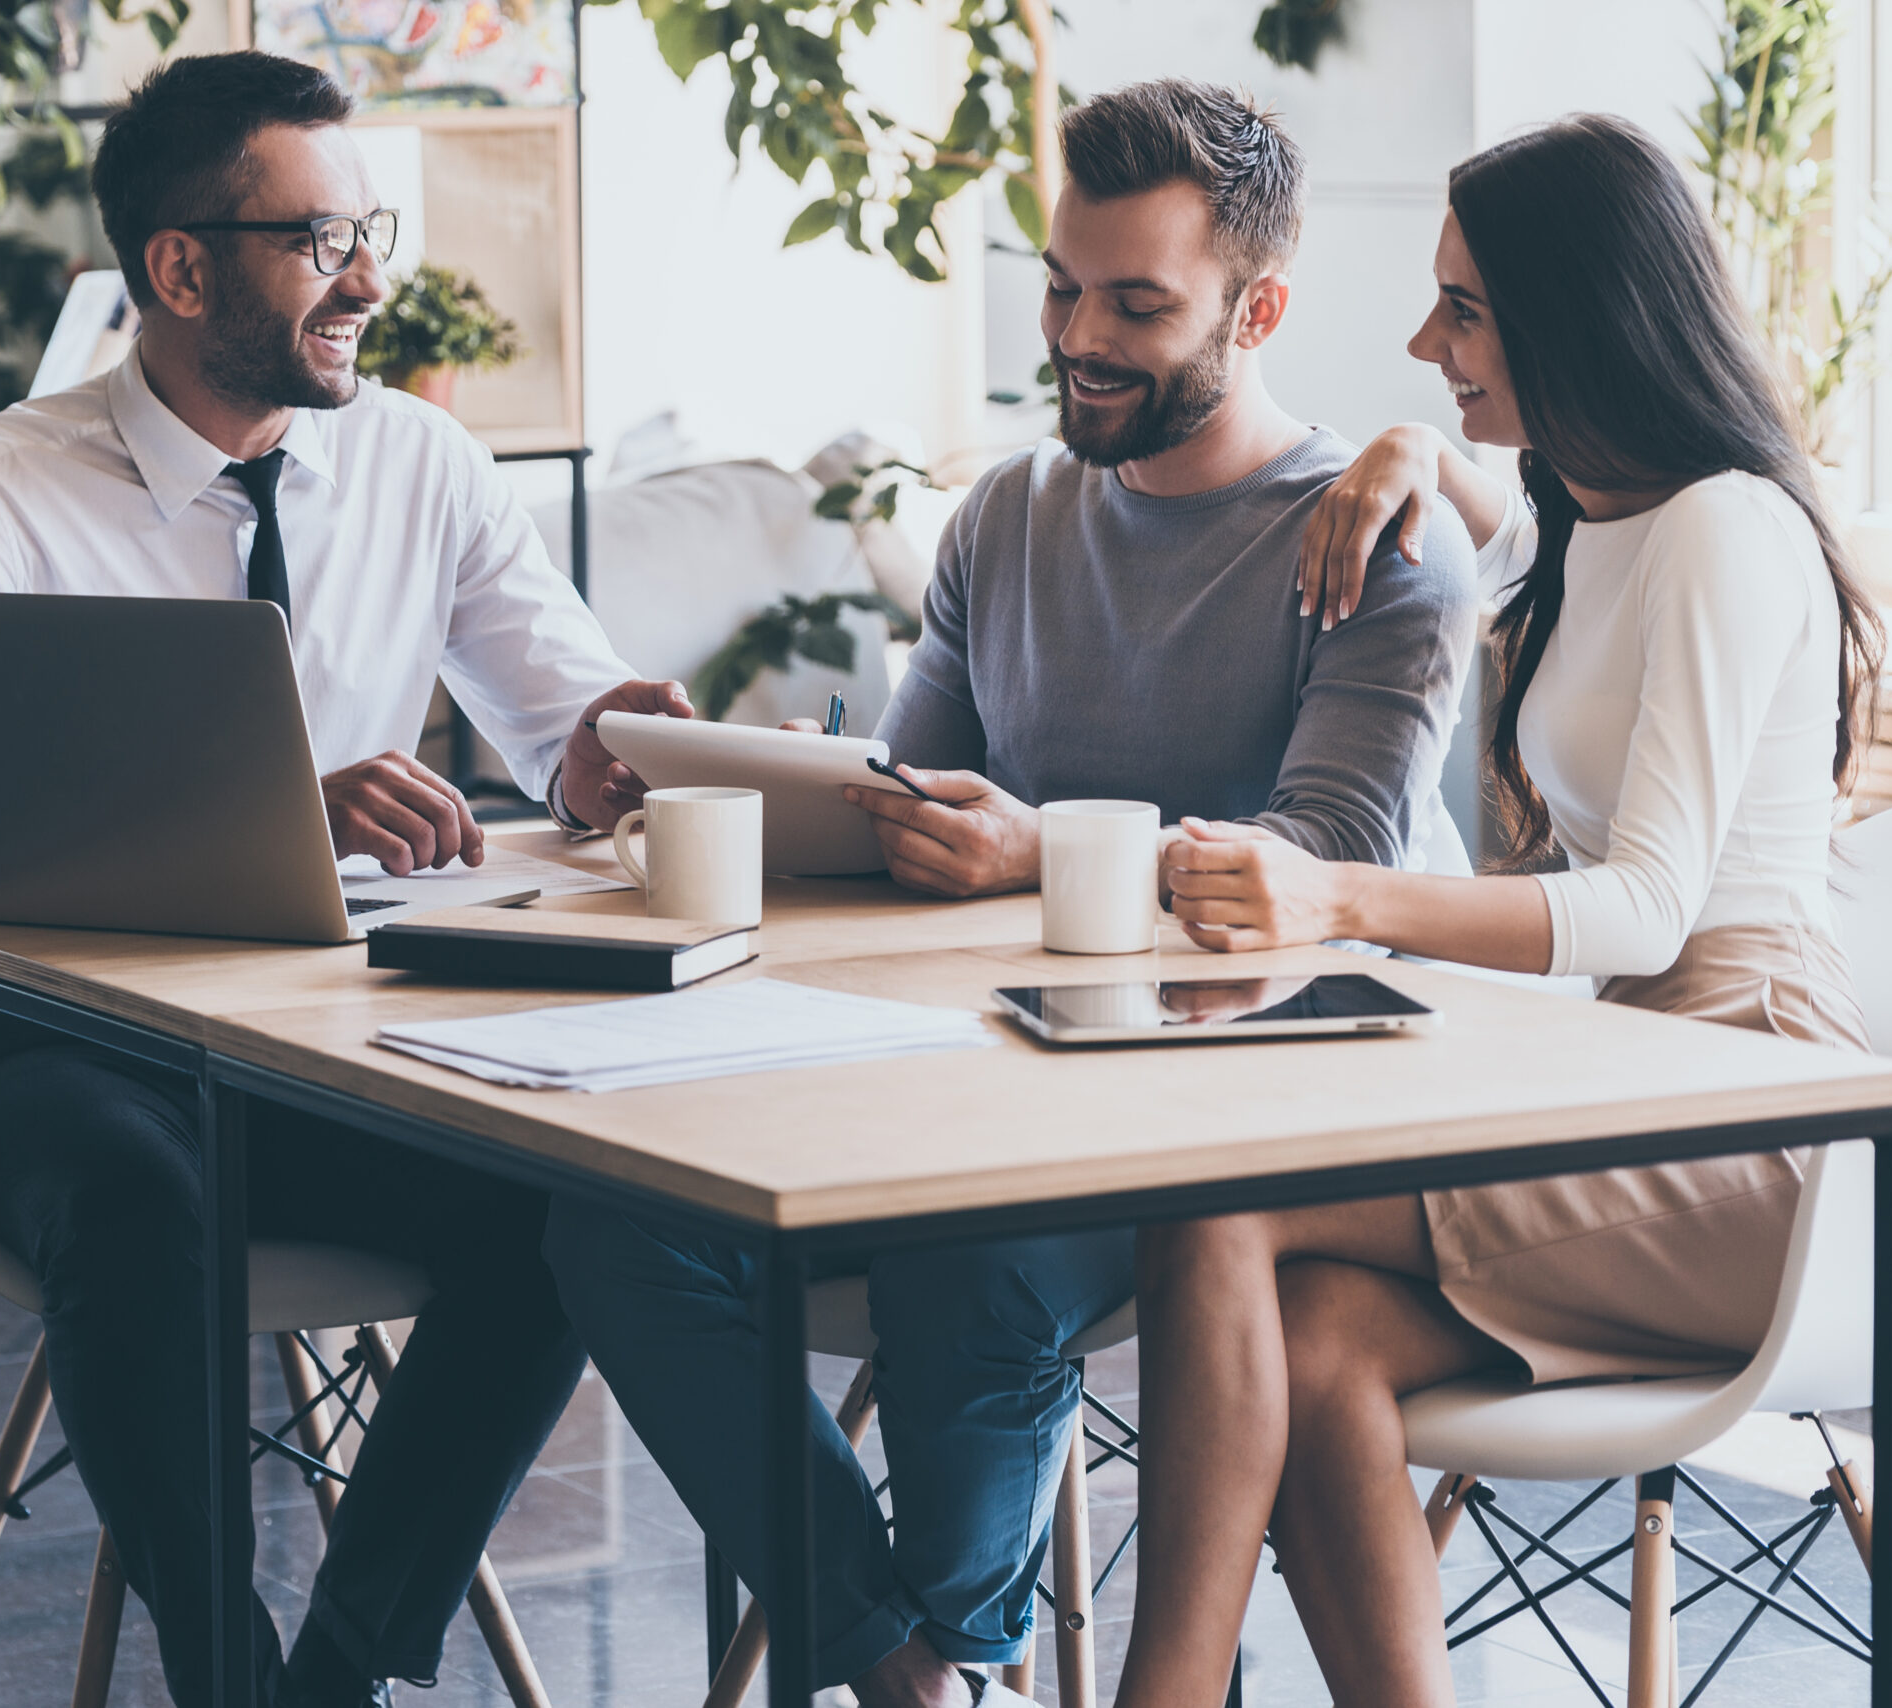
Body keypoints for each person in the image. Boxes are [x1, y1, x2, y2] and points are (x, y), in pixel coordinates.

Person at [542, 80, 1476, 1708]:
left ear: (1258, 310)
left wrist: (1041, 845)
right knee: (615, 1219)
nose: (1078, 337)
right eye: (1060, 287)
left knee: (968, 1261)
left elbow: (1323, 871)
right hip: (970, 1077)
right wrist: (729, 793)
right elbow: (913, 824)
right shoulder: (1010, 512)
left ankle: (953, 1651)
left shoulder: (1374, 547)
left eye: (1137, 304)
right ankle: (918, 1674)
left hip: (1234, 1122)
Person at [0, 51, 691, 1708]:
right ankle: (229, 1680)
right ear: (181, 268)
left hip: (341, 1049)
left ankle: (341, 1676)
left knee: (578, 1216)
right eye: (324, 241)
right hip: (77, 1056)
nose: (372, 280)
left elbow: (568, 737)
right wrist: (279, 801)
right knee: (133, 1203)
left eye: (368, 230)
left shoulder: (424, 467)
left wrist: (626, 748)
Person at [1125, 113, 1884, 1708]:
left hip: (1762, 1126)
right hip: (1635, 1093)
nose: (1424, 341)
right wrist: (1418, 454)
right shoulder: (1606, 522)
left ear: (1576, 313)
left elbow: (1653, 912)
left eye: (1461, 308)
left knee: (1219, 1200)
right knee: (1322, 1338)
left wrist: (1332, 892)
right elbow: (1522, 534)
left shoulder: (1729, 530)